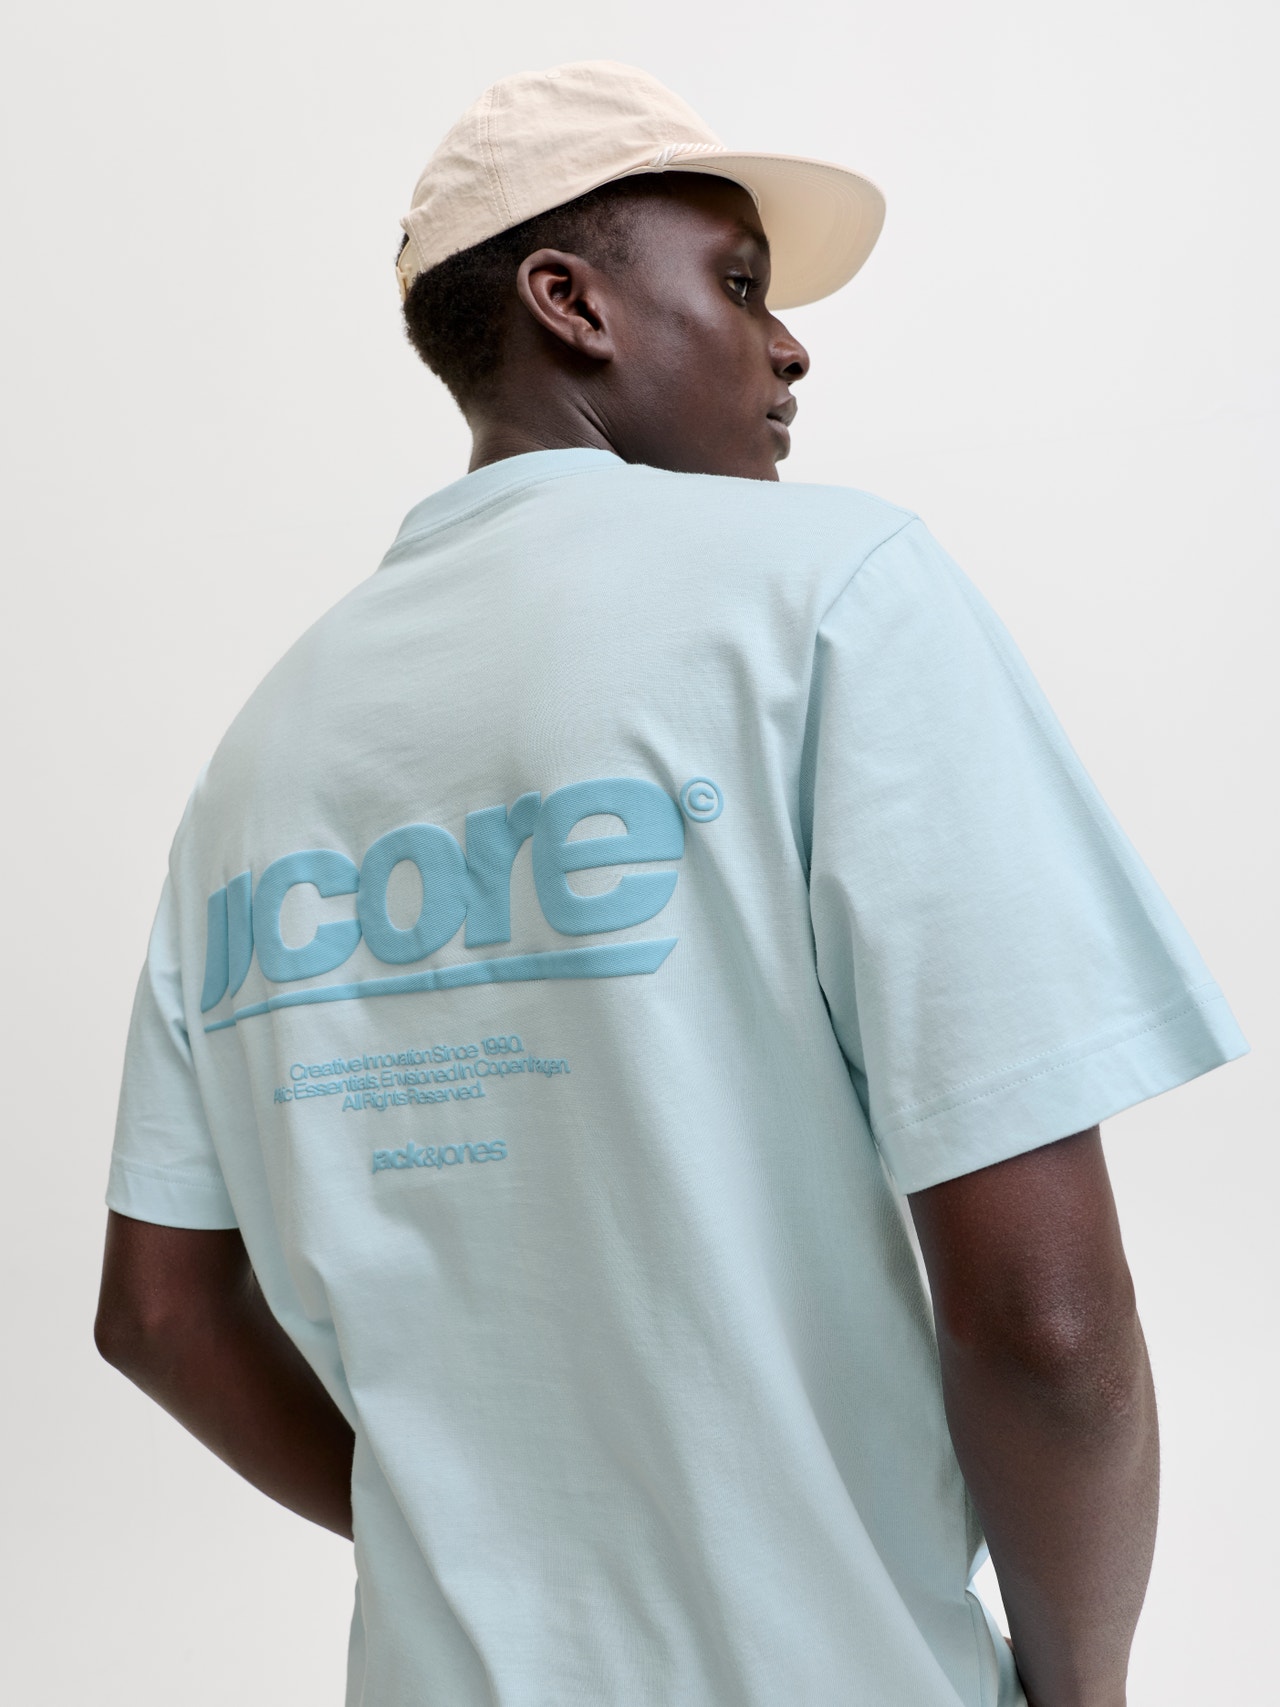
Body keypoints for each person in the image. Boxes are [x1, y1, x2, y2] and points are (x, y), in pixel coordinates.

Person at [94, 60, 1247, 1707]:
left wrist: (473, 1556)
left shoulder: (258, 757)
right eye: (742, 285)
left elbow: (157, 1312)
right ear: (570, 303)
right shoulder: (830, 599)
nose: (791, 348)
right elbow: (1045, 1325)